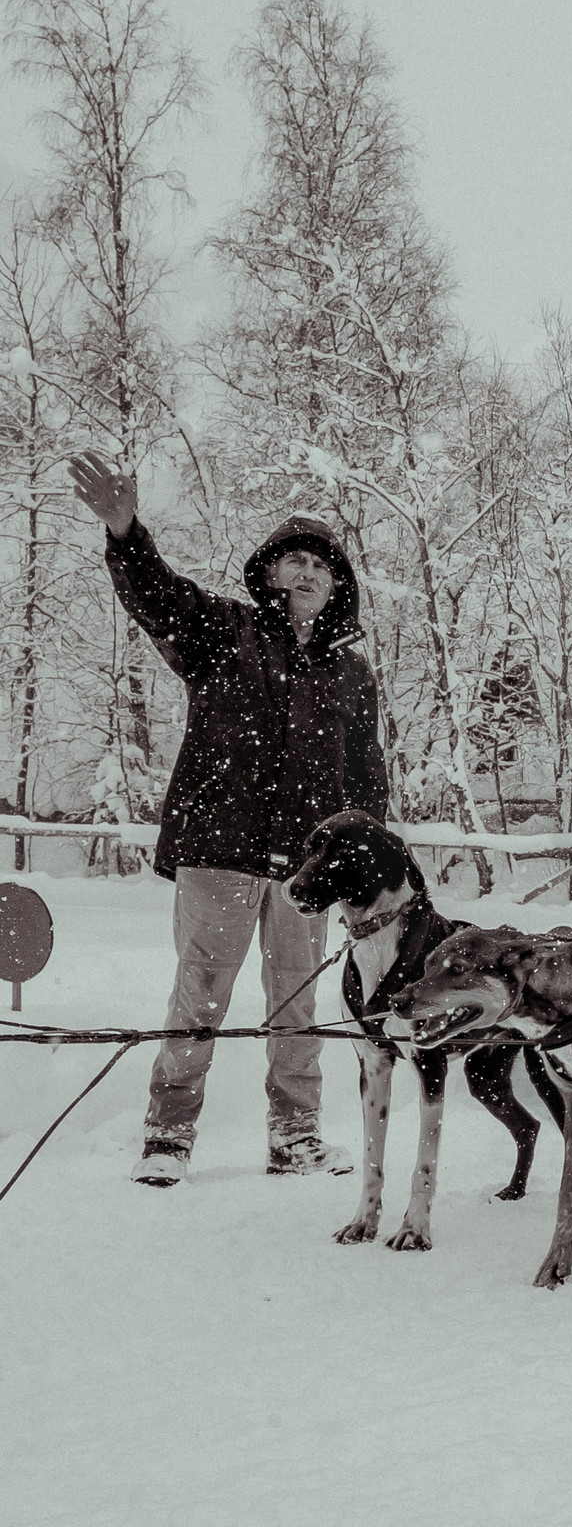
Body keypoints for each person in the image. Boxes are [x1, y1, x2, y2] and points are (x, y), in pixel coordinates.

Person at [69, 451, 387, 1186]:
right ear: (271, 572)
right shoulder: (226, 633)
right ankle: (169, 1136)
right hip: (221, 849)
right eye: (295, 561)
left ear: (337, 586)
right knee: (199, 994)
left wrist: (366, 862)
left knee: (299, 1004)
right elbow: (158, 597)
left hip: (306, 869)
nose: (307, 573)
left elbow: (365, 778)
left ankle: (296, 1137)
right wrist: (126, 533)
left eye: (322, 565)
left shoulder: (351, 674)